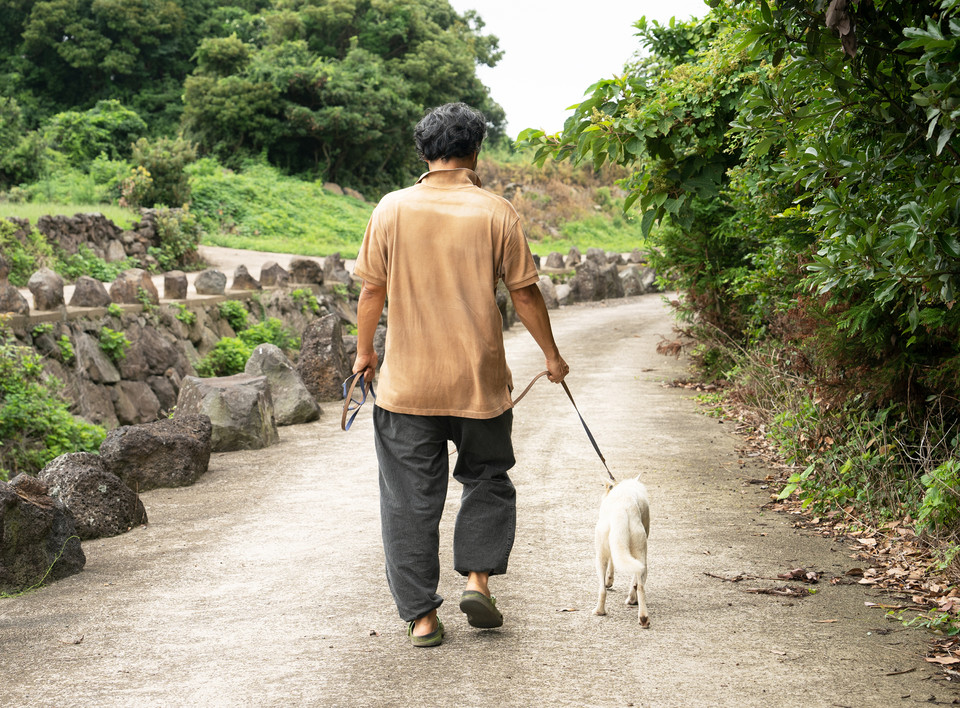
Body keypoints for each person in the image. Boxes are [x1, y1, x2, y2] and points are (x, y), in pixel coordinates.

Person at [352, 102, 568, 648]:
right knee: (488, 479)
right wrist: (551, 356)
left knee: (406, 500)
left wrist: (364, 355)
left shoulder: (390, 208)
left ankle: (422, 618)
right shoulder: (497, 212)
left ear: (423, 153)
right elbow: (524, 292)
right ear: (476, 153)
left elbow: (371, 290)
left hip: (406, 387)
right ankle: (477, 581)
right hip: (479, 386)